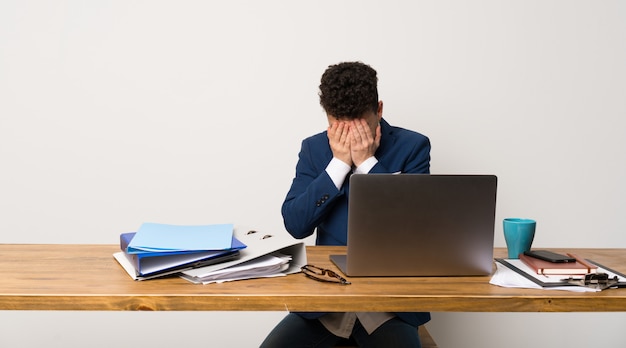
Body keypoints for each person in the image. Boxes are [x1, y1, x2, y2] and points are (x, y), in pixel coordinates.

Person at [260, 62, 431, 348]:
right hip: (325, 301)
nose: (349, 138)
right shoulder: (314, 149)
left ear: (379, 110)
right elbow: (296, 225)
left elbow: (415, 229)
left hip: (389, 303)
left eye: (359, 126)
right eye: (337, 127)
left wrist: (366, 164)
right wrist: (338, 165)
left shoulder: (412, 146)